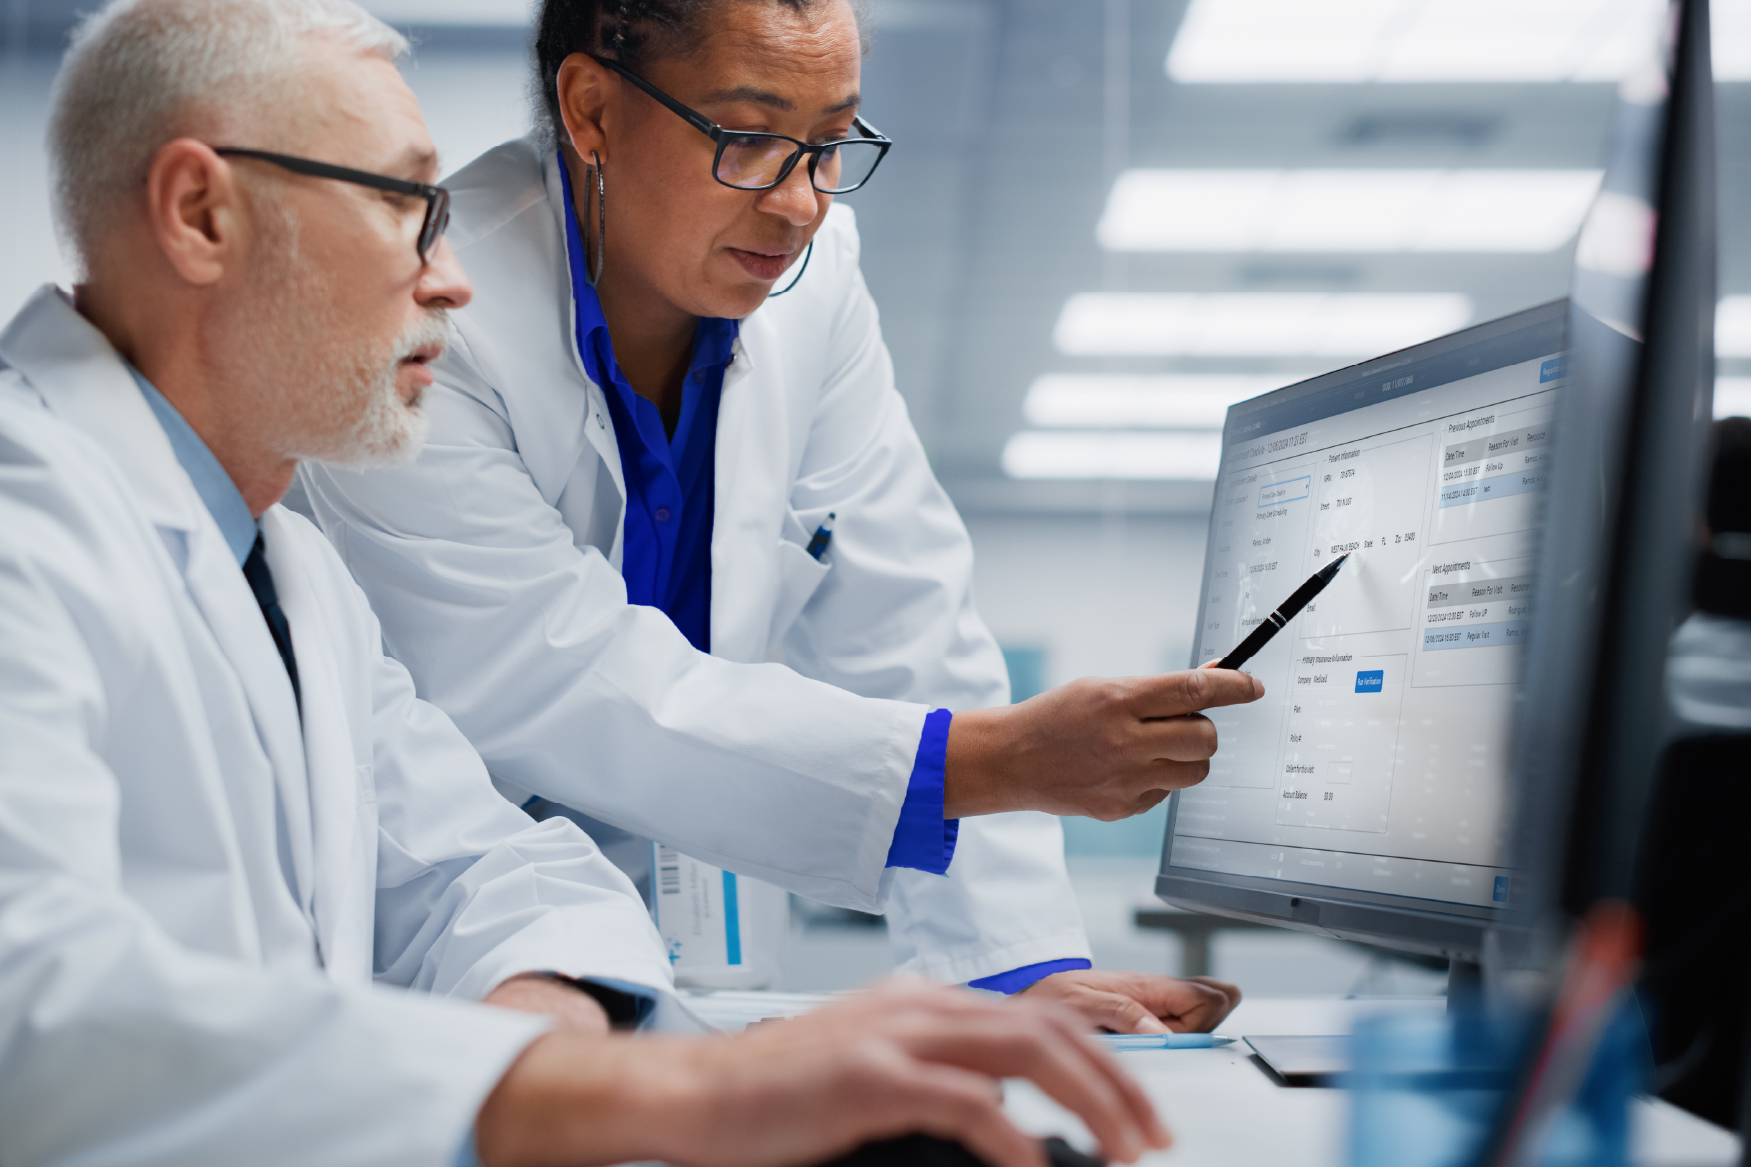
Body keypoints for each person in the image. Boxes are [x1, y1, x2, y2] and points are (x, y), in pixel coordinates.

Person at [0, 1, 1171, 1163]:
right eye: (407, 209)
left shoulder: (288, 577)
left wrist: (555, 1037)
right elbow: (34, 1024)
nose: (451, 284)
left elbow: (482, 863)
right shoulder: (27, 527)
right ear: (202, 214)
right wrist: (630, 1099)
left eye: (825, 149)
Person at [296, 0, 1260, 1029]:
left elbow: (906, 619)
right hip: (448, 949)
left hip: (697, 943)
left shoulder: (811, 289)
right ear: (592, 112)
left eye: (831, 144)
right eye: (748, 139)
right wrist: (993, 761)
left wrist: (1014, 968)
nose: (802, 203)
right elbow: (545, 672)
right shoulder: (432, 307)